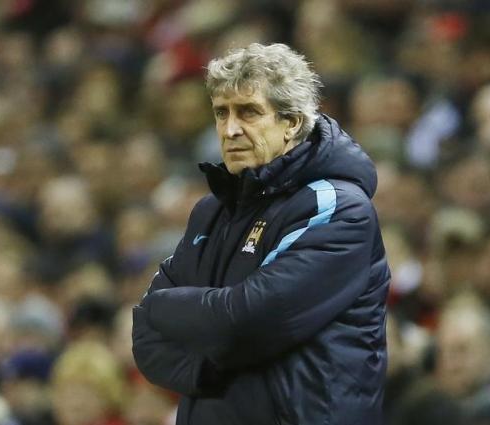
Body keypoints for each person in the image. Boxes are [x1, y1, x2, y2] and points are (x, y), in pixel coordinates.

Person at [132, 43, 391, 425]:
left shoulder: (337, 208)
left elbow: (245, 321)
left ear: (293, 123)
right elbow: (148, 340)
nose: (231, 129)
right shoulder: (211, 212)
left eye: (249, 112)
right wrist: (212, 365)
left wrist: (162, 307)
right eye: (222, 113)